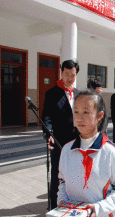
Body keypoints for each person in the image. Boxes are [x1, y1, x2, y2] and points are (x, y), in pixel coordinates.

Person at [57, 90, 115, 217]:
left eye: (86, 112)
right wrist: (61, 201)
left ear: (99, 116)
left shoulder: (110, 151)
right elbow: (62, 182)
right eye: (76, 111)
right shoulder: (67, 150)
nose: (79, 118)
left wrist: (99, 209)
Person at [42, 59, 80, 209]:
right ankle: (54, 207)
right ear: (61, 73)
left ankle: (72, 202)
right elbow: (46, 117)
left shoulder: (78, 93)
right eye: (67, 74)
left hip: (76, 142)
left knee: (75, 174)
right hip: (59, 142)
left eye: (73, 75)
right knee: (57, 176)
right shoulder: (51, 93)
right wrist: (48, 133)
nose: (70, 78)